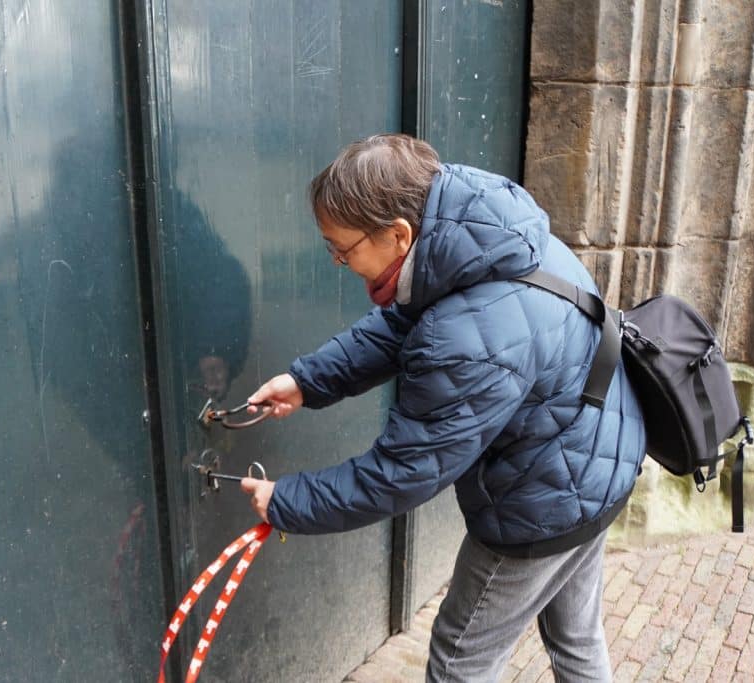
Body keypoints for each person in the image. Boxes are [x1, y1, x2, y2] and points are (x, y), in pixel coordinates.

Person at [239, 134, 645, 682]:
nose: (337, 261)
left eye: (342, 248)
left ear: (397, 234)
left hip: (545, 497)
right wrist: (306, 382)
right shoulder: (481, 232)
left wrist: (287, 501)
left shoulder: (463, 339)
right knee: (576, 638)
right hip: (604, 455)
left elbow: (402, 472)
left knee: (460, 658)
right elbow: (404, 324)